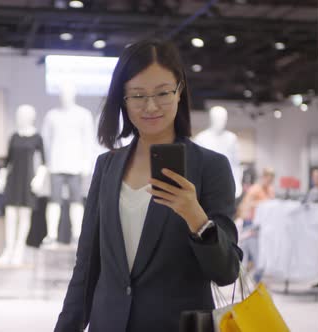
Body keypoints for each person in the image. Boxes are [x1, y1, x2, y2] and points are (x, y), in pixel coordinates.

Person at [54, 39, 242, 332]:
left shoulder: (210, 166)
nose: (151, 106)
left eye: (162, 93)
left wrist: (196, 217)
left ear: (179, 91)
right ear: (123, 100)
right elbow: (87, 268)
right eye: (138, 95)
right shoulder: (107, 167)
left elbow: (226, 271)